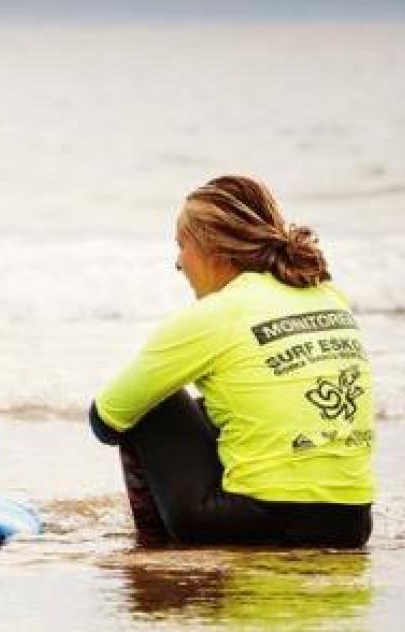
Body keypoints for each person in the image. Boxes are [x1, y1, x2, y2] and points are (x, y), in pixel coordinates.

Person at [89, 175, 374, 547]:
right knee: (232, 401)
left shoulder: (218, 313)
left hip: (256, 522)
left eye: (182, 246)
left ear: (213, 249)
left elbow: (106, 419)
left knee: (153, 403)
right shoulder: (330, 295)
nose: (178, 263)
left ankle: (153, 547)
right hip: (351, 524)